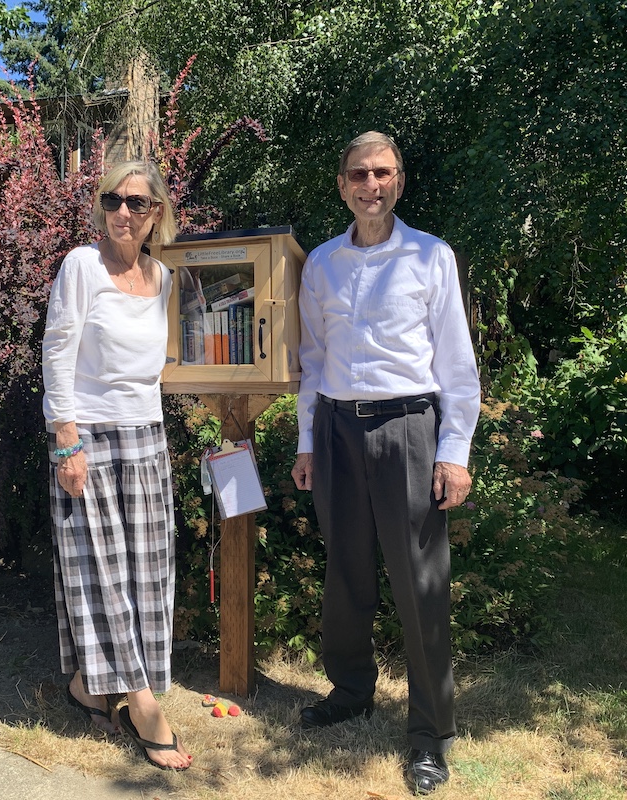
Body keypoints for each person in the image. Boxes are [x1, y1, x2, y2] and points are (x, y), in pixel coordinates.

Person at [291, 132, 480, 794]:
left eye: (383, 173)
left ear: (398, 182)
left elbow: (457, 364)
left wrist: (454, 452)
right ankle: (350, 692)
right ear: (342, 185)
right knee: (344, 574)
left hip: (408, 428)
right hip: (337, 429)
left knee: (419, 585)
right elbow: (312, 361)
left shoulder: (431, 257)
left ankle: (429, 733)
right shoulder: (321, 264)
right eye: (358, 174)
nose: (371, 184)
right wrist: (305, 443)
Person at [41, 160, 192, 771]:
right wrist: (66, 443)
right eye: (113, 200)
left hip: (147, 438)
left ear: (156, 213)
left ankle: (87, 685)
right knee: (103, 573)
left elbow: (175, 358)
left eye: (137, 203)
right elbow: (57, 352)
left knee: (150, 575)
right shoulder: (81, 266)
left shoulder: (164, 278)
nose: (123, 213)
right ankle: (143, 704)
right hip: (91, 438)